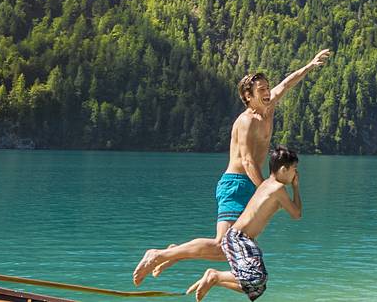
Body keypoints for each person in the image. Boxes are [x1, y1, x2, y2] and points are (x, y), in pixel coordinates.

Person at [133, 49, 330, 285]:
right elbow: (247, 161)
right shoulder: (246, 121)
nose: (268, 92)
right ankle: (159, 255)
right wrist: (265, 190)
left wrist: (310, 64)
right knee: (222, 246)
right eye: (262, 90)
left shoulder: (269, 106)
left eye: (268, 88)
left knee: (228, 249)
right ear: (248, 96)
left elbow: (288, 83)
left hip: (250, 184)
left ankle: (174, 253)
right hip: (236, 184)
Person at [187, 146, 302, 301]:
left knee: (258, 287)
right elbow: (296, 214)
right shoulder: (277, 188)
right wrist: (295, 187)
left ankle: (216, 279)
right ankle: (215, 275)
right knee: (255, 278)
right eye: (294, 169)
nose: (296, 173)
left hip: (243, 239)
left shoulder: (267, 185)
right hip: (238, 238)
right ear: (283, 169)